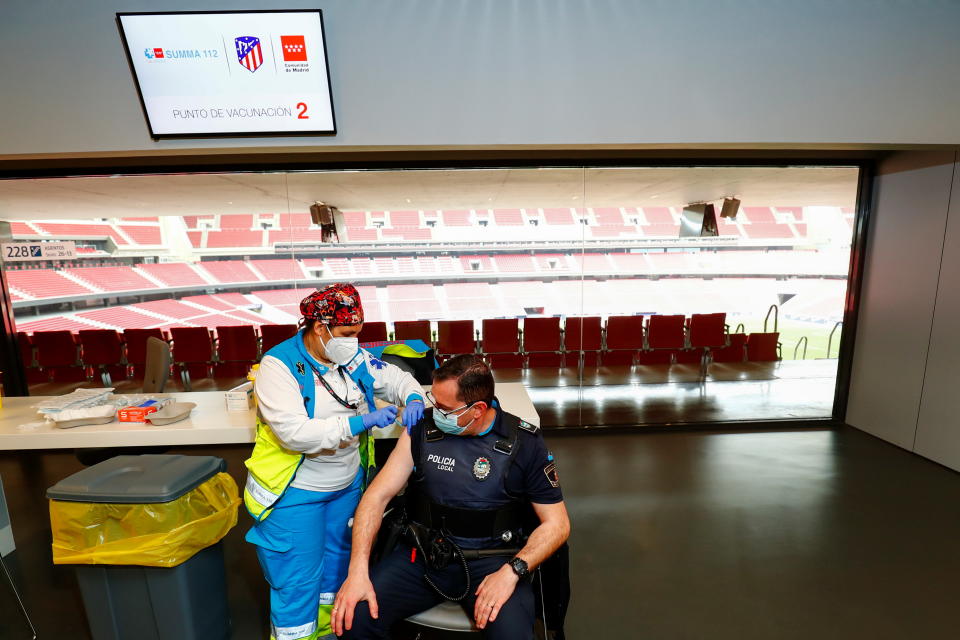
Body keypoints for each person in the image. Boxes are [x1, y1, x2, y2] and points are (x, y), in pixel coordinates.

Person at [332, 354, 571, 640]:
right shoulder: (421, 428)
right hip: (423, 556)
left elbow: (558, 524)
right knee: (354, 618)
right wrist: (357, 570)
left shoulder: (524, 443)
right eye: (433, 401)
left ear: (477, 409)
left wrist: (513, 571)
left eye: (444, 408)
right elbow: (376, 496)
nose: (435, 411)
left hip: (494, 563)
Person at [244, 283, 426, 640]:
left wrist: (414, 396)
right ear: (319, 326)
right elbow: (295, 433)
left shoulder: (349, 356)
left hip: (345, 488)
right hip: (296, 494)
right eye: (346, 333)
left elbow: (393, 377)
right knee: (298, 583)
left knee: (336, 576)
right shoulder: (278, 367)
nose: (354, 341)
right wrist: (360, 422)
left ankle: (331, 633)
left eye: (358, 332)